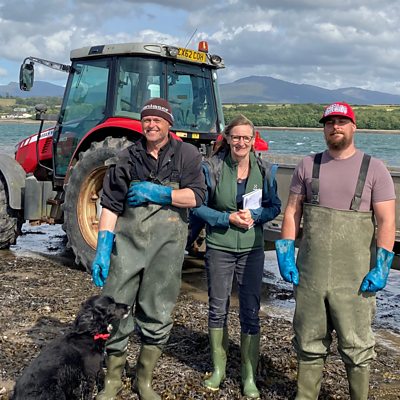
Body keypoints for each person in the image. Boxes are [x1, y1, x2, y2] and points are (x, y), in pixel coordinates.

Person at [275, 102, 396, 399]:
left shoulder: (375, 168)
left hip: (355, 280)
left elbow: (387, 221)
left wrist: (382, 265)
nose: (335, 127)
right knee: (308, 343)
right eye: (330, 122)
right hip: (311, 276)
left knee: (357, 347)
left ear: (354, 127)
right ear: (324, 128)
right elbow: (292, 212)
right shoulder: (308, 165)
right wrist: (285, 252)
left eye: (342, 121)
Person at [91, 98, 206, 400]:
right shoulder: (126, 158)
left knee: (158, 312)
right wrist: (103, 248)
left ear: (169, 124)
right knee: (115, 308)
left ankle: (143, 381)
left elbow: (196, 197)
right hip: (128, 246)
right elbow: (110, 205)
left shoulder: (187, 155)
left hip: (166, 250)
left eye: (157, 120)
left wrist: (160, 193)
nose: (151, 125)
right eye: (147, 120)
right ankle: (113, 380)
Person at [191, 114, 281, 398]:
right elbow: (197, 206)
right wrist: (226, 218)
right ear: (228, 139)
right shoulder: (211, 168)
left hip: (252, 249)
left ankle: (248, 375)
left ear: (253, 141)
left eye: (246, 138)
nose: (241, 142)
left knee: (250, 311)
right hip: (220, 245)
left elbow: (274, 206)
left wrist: (257, 215)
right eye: (236, 137)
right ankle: (218, 369)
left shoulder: (265, 171)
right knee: (217, 308)